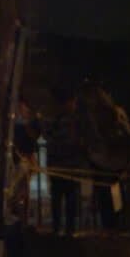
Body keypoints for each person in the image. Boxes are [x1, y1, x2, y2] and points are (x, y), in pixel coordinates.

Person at [47, 93, 84, 236]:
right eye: (72, 102)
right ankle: (60, 229)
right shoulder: (64, 121)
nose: (74, 105)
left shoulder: (72, 120)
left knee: (68, 201)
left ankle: (66, 229)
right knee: (61, 200)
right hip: (64, 167)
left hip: (67, 167)